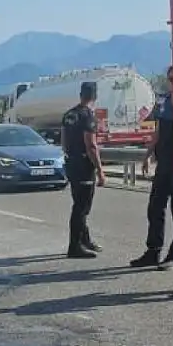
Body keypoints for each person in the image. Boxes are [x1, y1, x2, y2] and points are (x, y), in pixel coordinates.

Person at [129, 65, 173, 268]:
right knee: (155, 207)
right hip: (164, 164)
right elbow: (159, 131)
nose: (172, 82)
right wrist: (147, 154)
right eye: (170, 79)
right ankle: (153, 251)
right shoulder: (166, 102)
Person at [60, 81, 106, 258]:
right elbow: (91, 145)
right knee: (81, 207)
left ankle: (85, 240)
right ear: (94, 96)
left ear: (80, 95)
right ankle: (74, 246)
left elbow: (63, 141)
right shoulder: (88, 116)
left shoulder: (69, 114)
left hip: (71, 162)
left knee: (79, 203)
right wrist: (100, 170)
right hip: (83, 165)